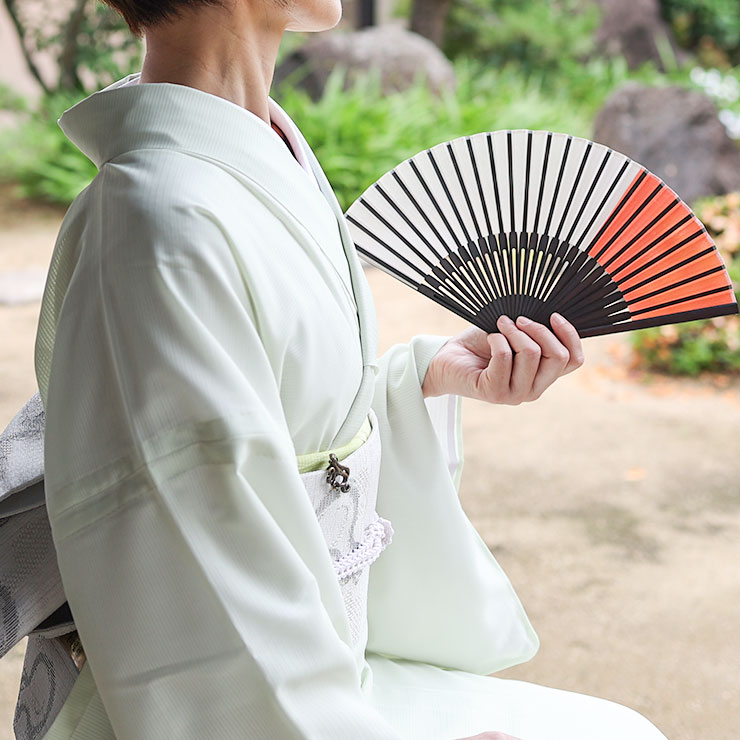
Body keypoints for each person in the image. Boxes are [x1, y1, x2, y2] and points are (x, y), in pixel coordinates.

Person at [29, 0, 671, 736]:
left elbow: (285, 428)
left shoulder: (252, 149)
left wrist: (418, 382)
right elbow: (204, 594)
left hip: (330, 666)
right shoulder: (155, 225)